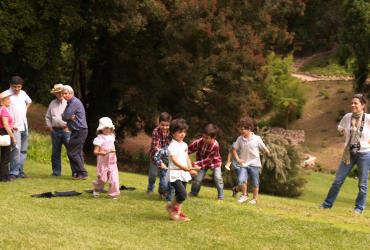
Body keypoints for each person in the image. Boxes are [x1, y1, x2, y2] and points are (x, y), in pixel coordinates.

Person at [321, 94, 370, 215]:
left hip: (364, 154)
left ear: (363, 105)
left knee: (362, 184)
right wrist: (345, 133)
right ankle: (327, 204)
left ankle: (359, 209)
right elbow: (340, 127)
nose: (353, 105)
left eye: (356, 103)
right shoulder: (348, 117)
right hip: (348, 154)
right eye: (352, 103)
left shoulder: (368, 118)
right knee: (337, 181)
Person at [165, 118, 198, 221]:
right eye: (180, 132)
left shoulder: (185, 145)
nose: (182, 134)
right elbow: (174, 160)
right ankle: (173, 209)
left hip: (183, 173)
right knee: (183, 195)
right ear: (173, 133)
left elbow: (186, 157)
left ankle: (175, 211)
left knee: (179, 194)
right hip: (174, 174)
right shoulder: (172, 146)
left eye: (184, 132)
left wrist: (190, 168)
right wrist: (184, 168)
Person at [232, 116, 270, 204]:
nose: (241, 131)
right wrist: (238, 159)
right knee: (241, 180)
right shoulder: (240, 139)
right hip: (244, 164)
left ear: (249, 128)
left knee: (255, 182)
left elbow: (263, 147)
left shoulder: (257, 138)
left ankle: (254, 199)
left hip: (255, 164)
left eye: (242, 129)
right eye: (240, 129)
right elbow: (234, 149)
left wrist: (267, 151)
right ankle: (245, 195)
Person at [188, 124, 224, 200]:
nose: (204, 139)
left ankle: (220, 197)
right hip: (202, 162)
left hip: (214, 162)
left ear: (213, 138)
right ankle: (193, 193)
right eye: (203, 136)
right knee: (198, 179)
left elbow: (208, 160)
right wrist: (184, 156)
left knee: (218, 178)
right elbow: (188, 150)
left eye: (207, 138)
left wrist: (195, 164)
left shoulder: (215, 145)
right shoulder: (199, 142)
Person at [61, 85, 88, 179]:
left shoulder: (74, 103)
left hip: (80, 130)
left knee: (73, 153)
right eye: (62, 93)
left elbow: (66, 116)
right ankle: (77, 173)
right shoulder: (69, 103)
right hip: (76, 130)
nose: (64, 95)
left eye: (65, 93)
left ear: (71, 93)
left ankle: (83, 172)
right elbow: (64, 116)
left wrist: (68, 116)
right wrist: (67, 116)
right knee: (75, 152)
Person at [8, 76, 32, 179]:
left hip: (24, 126)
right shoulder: (6, 94)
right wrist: (10, 124)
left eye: (19, 87)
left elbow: (29, 101)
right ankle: (13, 172)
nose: (17, 89)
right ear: (10, 85)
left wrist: (25, 110)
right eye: (15, 87)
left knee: (23, 150)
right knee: (15, 150)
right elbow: (2, 109)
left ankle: (20, 171)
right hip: (14, 127)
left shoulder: (23, 93)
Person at [45, 83, 71, 176]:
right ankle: (56, 172)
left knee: (71, 151)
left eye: (61, 92)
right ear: (55, 94)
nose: (59, 94)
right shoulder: (52, 103)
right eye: (57, 93)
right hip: (55, 130)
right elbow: (47, 116)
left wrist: (69, 127)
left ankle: (76, 172)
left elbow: (74, 116)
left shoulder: (69, 102)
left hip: (66, 130)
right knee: (55, 152)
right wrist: (50, 127)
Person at [92, 117, 120, 199]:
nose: (108, 130)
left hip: (112, 162)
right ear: (101, 128)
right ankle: (96, 189)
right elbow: (95, 151)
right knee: (102, 179)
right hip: (103, 163)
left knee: (114, 179)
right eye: (106, 128)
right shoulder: (99, 139)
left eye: (110, 128)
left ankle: (113, 194)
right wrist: (101, 153)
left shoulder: (112, 137)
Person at [147, 112, 172, 198]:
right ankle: (150, 189)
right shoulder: (155, 131)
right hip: (155, 156)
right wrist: (159, 160)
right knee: (152, 175)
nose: (165, 127)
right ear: (159, 123)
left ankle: (162, 192)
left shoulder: (171, 132)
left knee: (164, 177)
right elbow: (156, 147)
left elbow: (171, 146)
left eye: (167, 125)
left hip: (166, 158)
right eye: (162, 125)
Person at [0, 91, 16, 182]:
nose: (9, 101)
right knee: (6, 156)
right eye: (8, 99)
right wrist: (13, 137)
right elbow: (5, 125)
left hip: (1, 132)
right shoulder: (4, 110)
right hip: (5, 133)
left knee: (3, 155)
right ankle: (4, 177)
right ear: (3, 101)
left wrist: (13, 126)